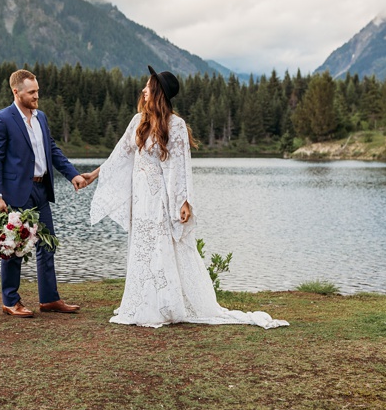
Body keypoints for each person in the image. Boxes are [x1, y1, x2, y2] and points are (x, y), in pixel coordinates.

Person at [83, 66, 287, 329]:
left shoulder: (176, 125)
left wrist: (184, 201)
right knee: (142, 248)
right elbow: (119, 156)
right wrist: (94, 175)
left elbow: (180, 166)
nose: (143, 90)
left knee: (162, 247)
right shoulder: (138, 121)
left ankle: (167, 303)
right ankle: (142, 302)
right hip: (140, 200)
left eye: (148, 86)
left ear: (157, 92)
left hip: (160, 200)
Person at [0, 69, 88, 317]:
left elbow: (51, 150)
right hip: (15, 193)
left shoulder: (40, 117)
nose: (36, 96)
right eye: (31, 92)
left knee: (47, 243)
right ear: (16, 92)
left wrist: (72, 174)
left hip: (42, 189)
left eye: (37, 91)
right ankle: (11, 301)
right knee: (13, 246)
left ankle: (49, 299)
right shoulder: (1, 119)